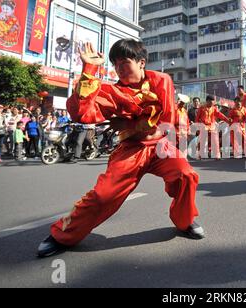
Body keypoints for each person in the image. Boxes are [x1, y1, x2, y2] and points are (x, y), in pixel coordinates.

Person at [38, 39, 204, 258]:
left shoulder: (161, 80)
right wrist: (89, 69)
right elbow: (83, 114)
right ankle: (62, 234)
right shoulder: (111, 92)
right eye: (115, 65)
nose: (119, 69)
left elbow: (164, 119)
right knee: (103, 196)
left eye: (124, 63)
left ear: (142, 62)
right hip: (130, 149)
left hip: (160, 146)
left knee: (186, 175)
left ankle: (184, 222)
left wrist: (127, 124)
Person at [195, 95, 229, 160]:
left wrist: (227, 120)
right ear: (207, 101)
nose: (212, 104)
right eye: (211, 102)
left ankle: (217, 156)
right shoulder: (201, 108)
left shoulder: (214, 108)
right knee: (202, 141)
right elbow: (197, 119)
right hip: (203, 126)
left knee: (215, 141)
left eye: (213, 102)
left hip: (212, 126)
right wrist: (197, 128)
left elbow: (220, 115)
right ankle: (200, 155)